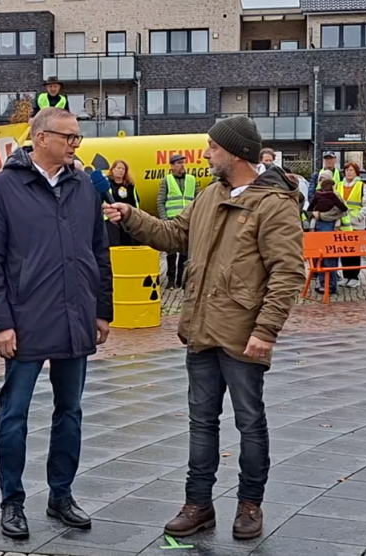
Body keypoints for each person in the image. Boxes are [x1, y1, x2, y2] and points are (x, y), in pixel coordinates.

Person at [104, 115, 305, 542]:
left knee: (250, 423)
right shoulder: (210, 194)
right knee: (201, 422)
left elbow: (287, 273)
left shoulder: (273, 204)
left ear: (235, 152)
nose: (206, 153)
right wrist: (130, 216)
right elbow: (176, 234)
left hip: (244, 336)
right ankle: (198, 505)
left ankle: (250, 505)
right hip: (200, 330)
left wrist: (266, 331)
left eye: (212, 147)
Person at [0, 107, 112, 541]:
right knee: (14, 414)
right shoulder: (2, 189)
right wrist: (0, 323)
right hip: (25, 320)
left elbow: (98, 251)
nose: (76, 144)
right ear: (39, 138)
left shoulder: (83, 186)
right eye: (68, 137)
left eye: (78, 137)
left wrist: (101, 310)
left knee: (69, 412)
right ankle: (11, 502)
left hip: (76, 317)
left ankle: (61, 495)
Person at [156, 153, 197, 289]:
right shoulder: (166, 180)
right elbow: (160, 202)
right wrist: (164, 220)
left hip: (187, 221)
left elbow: (197, 201)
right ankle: (171, 280)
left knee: (185, 252)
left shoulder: (192, 179)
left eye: (183, 162)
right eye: (178, 163)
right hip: (172, 220)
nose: (182, 165)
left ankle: (181, 279)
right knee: (171, 252)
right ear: (172, 166)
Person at [307, 175, 349, 295]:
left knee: (327, 256)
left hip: (328, 226)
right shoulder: (332, 196)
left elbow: (338, 212)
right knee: (324, 257)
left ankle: (329, 285)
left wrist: (319, 215)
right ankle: (325, 284)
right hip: (321, 227)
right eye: (319, 179)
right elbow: (343, 209)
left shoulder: (321, 195)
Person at [337, 162, 366, 289]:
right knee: (344, 251)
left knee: (354, 252)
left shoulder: (362, 186)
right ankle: (346, 276)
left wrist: (359, 216)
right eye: (347, 170)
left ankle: (354, 277)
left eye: (351, 170)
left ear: (356, 172)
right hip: (342, 224)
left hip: (356, 224)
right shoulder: (339, 185)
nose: (348, 172)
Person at [106, 159, 140, 248]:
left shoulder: (130, 185)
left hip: (127, 221)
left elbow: (135, 202)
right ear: (113, 170)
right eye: (118, 168)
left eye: (123, 169)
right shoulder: (107, 184)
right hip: (112, 221)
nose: (121, 171)